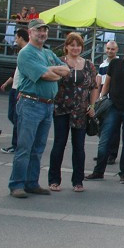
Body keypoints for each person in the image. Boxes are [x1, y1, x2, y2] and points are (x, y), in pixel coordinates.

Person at [8, 19, 70, 198]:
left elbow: (66, 71)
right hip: (30, 103)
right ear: (30, 32)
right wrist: (52, 72)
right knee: (24, 147)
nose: (42, 33)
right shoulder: (26, 53)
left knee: (38, 147)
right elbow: (46, 75)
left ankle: (31, 182)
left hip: (47, 105)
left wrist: (51, 70)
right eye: (38, 30)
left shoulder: (48, 53)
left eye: (44, 30)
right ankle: (17, 184)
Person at [87, 40, 124, 184]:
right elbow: (106, 84)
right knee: (105, 139)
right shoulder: (115, 64)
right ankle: (98, 171)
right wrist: (99, 101)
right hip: (113, 106)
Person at [48, 33, 97, 192]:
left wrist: (92, 105)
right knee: (59, 144)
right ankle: (54, 180)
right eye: (72, 45)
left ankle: (78, 181)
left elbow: (94, 87)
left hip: (81, 111)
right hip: (61, 108)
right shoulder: (59, 62)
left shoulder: (88, 65)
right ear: (66, 46)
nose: (75, 48)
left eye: (78, 45)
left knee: (79, 147)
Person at [0, 28, 29, 153]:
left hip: (20, 88)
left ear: (21, 37)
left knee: (17, 117)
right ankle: (20, 139)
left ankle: (16, 144)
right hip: (14, 87)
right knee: (12, 115)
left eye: (16, 37)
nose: (15, 40)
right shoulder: (21, 52)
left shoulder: (27, 51)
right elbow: (16, 71)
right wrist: (7, 83)